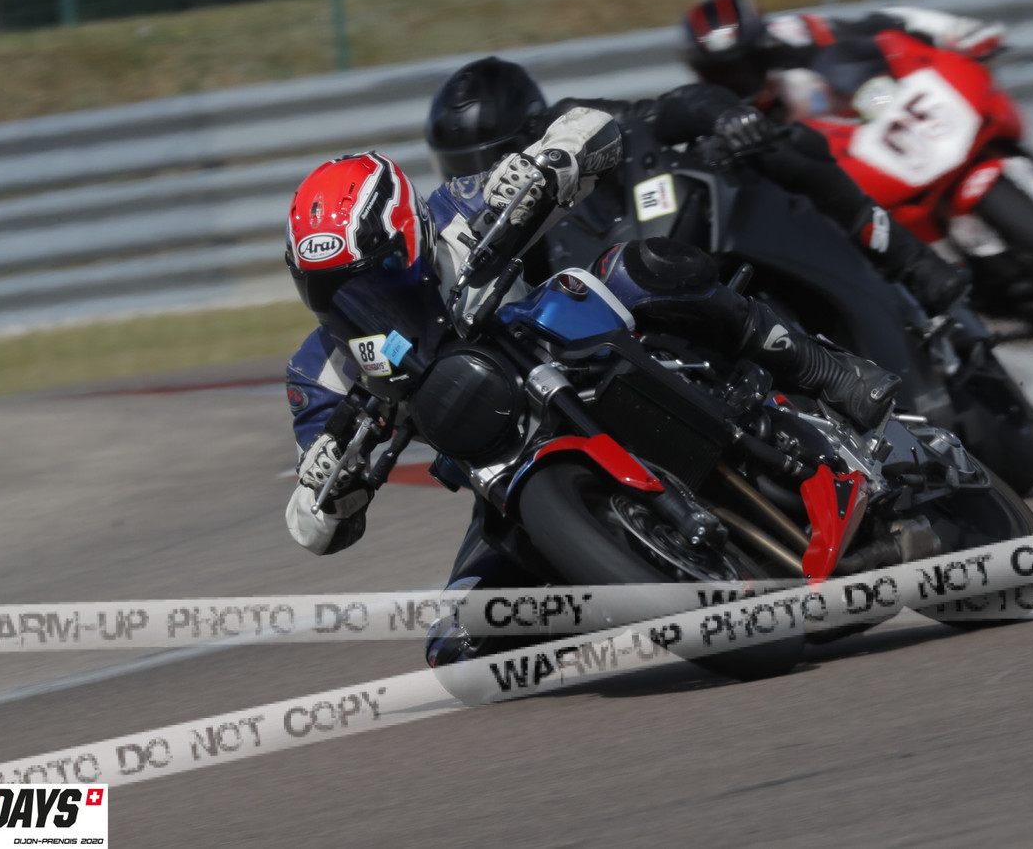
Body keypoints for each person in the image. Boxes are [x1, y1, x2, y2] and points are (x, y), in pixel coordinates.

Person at [280, 117, 900, 665]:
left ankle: (824, 370)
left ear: (411, 236)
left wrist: (548, 163)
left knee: (638, 268)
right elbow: (312, 525)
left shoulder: (459, 210)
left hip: (573, 353)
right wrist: (325, 486)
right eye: (331, 291)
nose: (360, 302)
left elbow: (591, 126)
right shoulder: (318, 372)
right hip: (503, 473)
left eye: (376, 276)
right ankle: (627, 590)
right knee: (461, 644)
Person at [424, 57, 971, 319]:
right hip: (640, 325)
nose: (485, 175)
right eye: (461, 167)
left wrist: (726, 115)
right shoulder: (498, 243)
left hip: (691, 242)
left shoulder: (580, 124)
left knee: (782, 145)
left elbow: (668, 110)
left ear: (532, 131)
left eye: (491, 157)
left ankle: (909, 261)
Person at [680, 0, 1033, 168]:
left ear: (761, 47)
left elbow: (882, 22)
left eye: (739, 66)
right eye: (718, 73)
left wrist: (953, 30)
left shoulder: (793, 36)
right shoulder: (712, 113)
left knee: (979, 95)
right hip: (840, 169)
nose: (733, 80)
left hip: (878, 114)